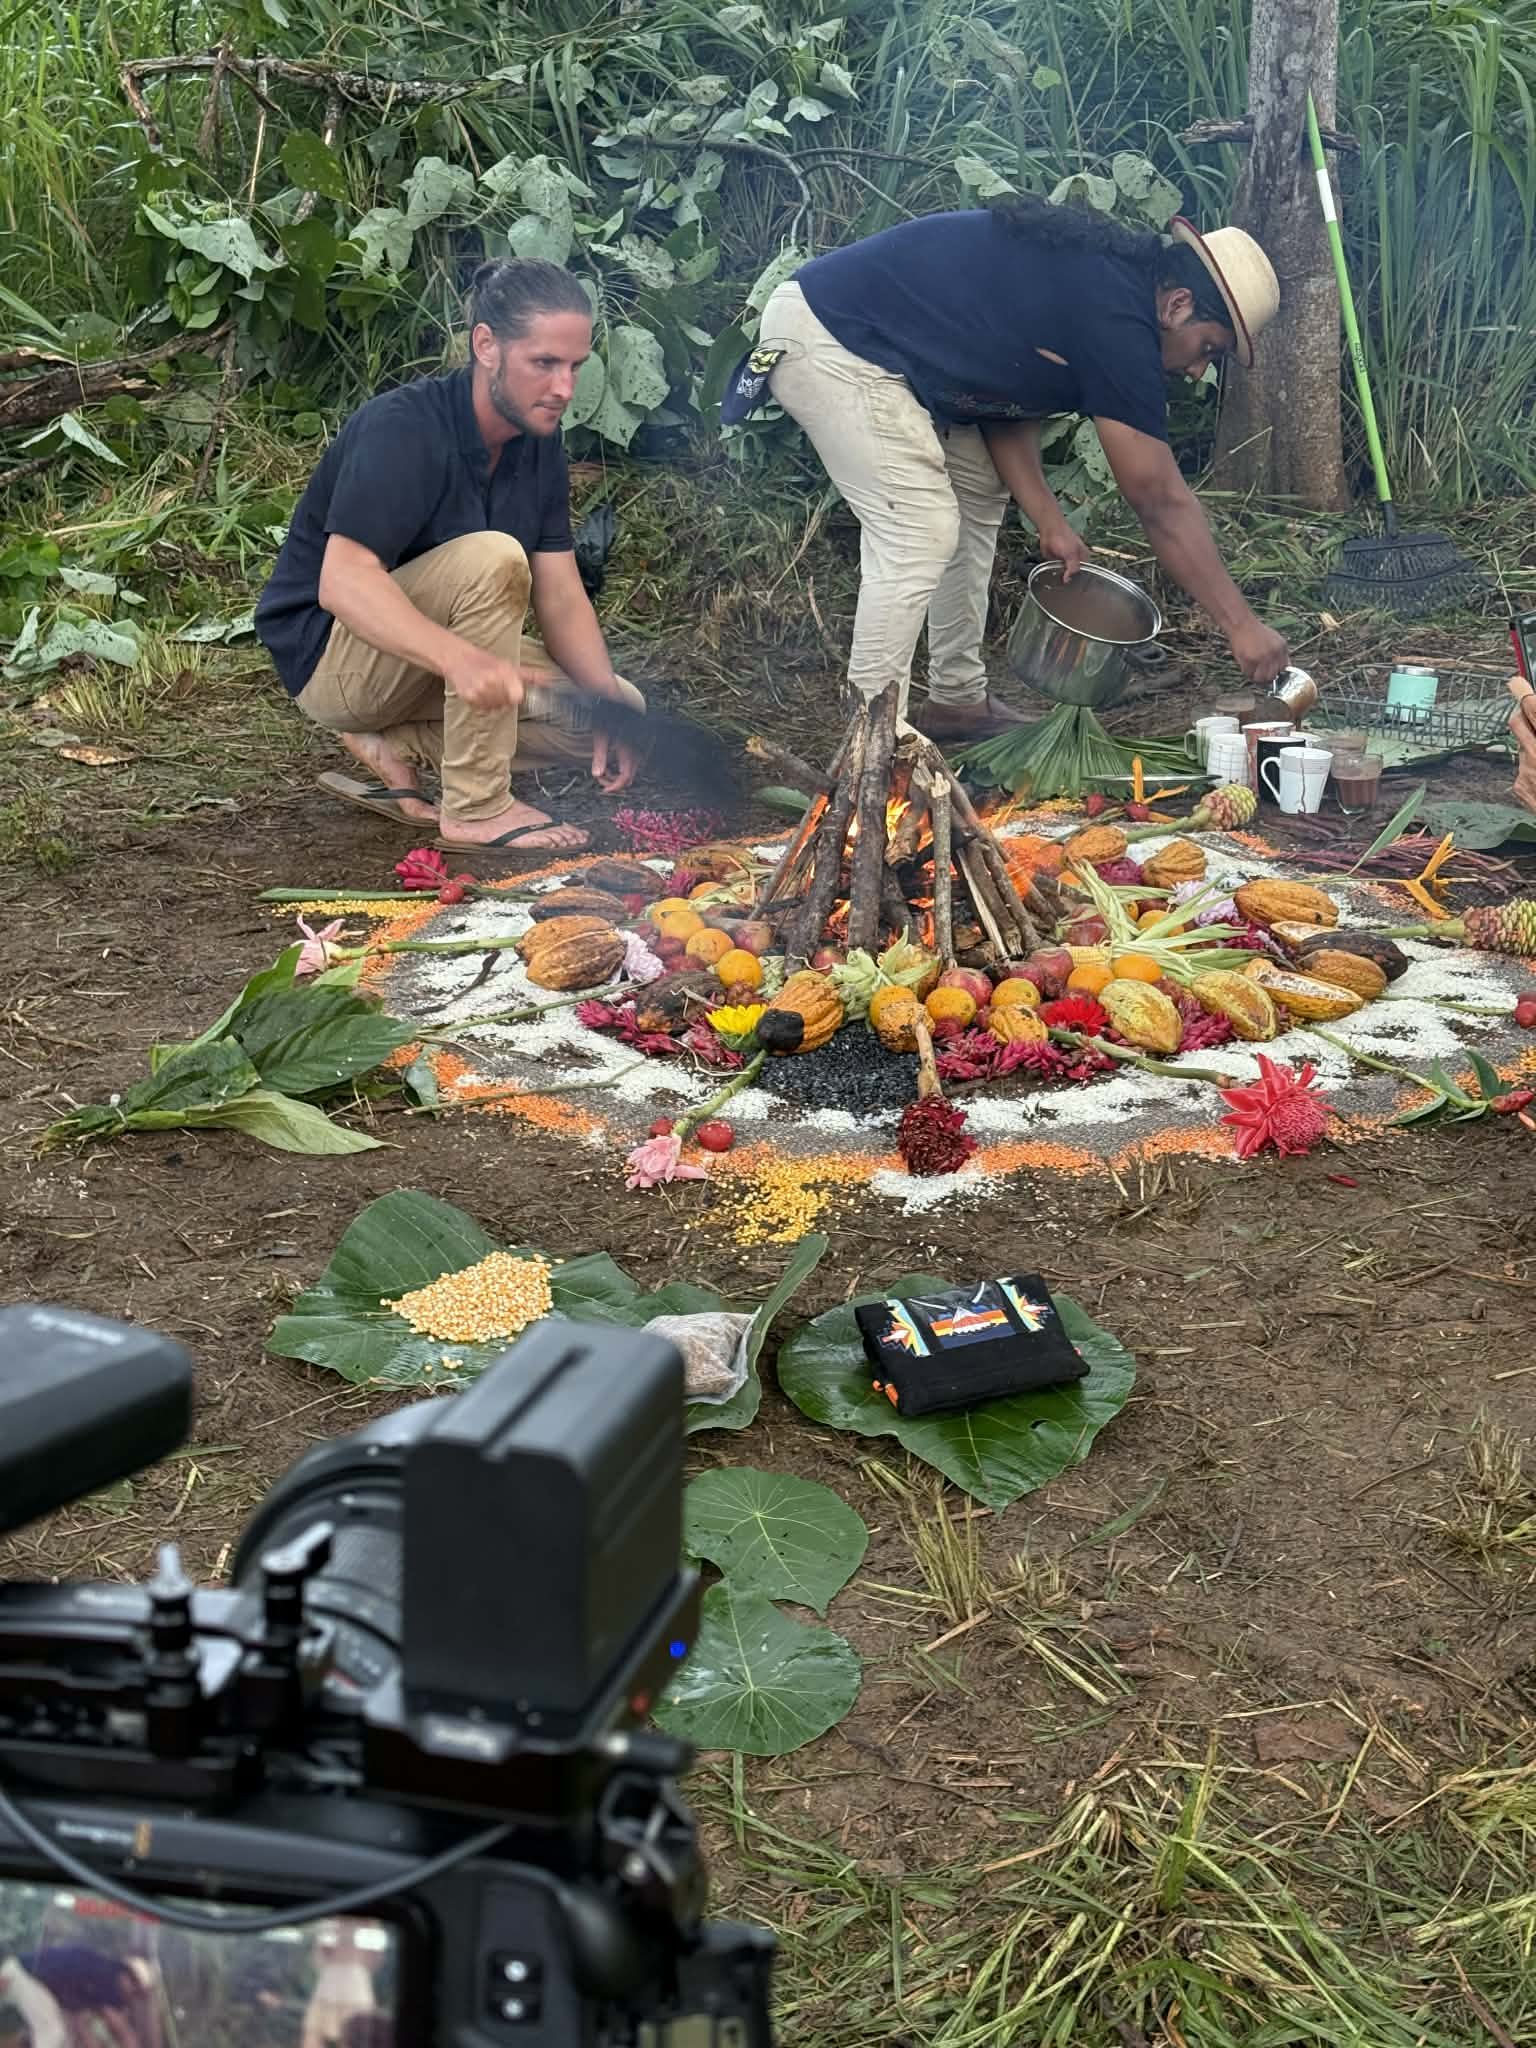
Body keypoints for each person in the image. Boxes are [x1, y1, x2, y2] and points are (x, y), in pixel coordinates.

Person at [750, 199, 1291, 741]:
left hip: (870, 343)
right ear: (1178, 305)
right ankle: (871, 740)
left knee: (978, 492)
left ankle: (956, 700)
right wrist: (1241, 626)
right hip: (830, 335)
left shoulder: (1102, 289)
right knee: (918, 530)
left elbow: (1007, 404)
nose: (1197, 370)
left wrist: (1049, 520)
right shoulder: (1119, 316)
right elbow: (1159, 499)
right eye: (1208, 348)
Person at [255, 259, 645, 852]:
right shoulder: (404, 428)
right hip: (335, 659)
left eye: (575, 367)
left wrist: (610, 708)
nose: (564, 389)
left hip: (430, 662)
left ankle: (396, 744)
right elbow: (343, 581)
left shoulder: (537, 439)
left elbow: (561, 594)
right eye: (544, 363)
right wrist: (460, 660)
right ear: (486, 345)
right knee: (493, 558)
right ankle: (475, 808)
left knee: (617, 706)